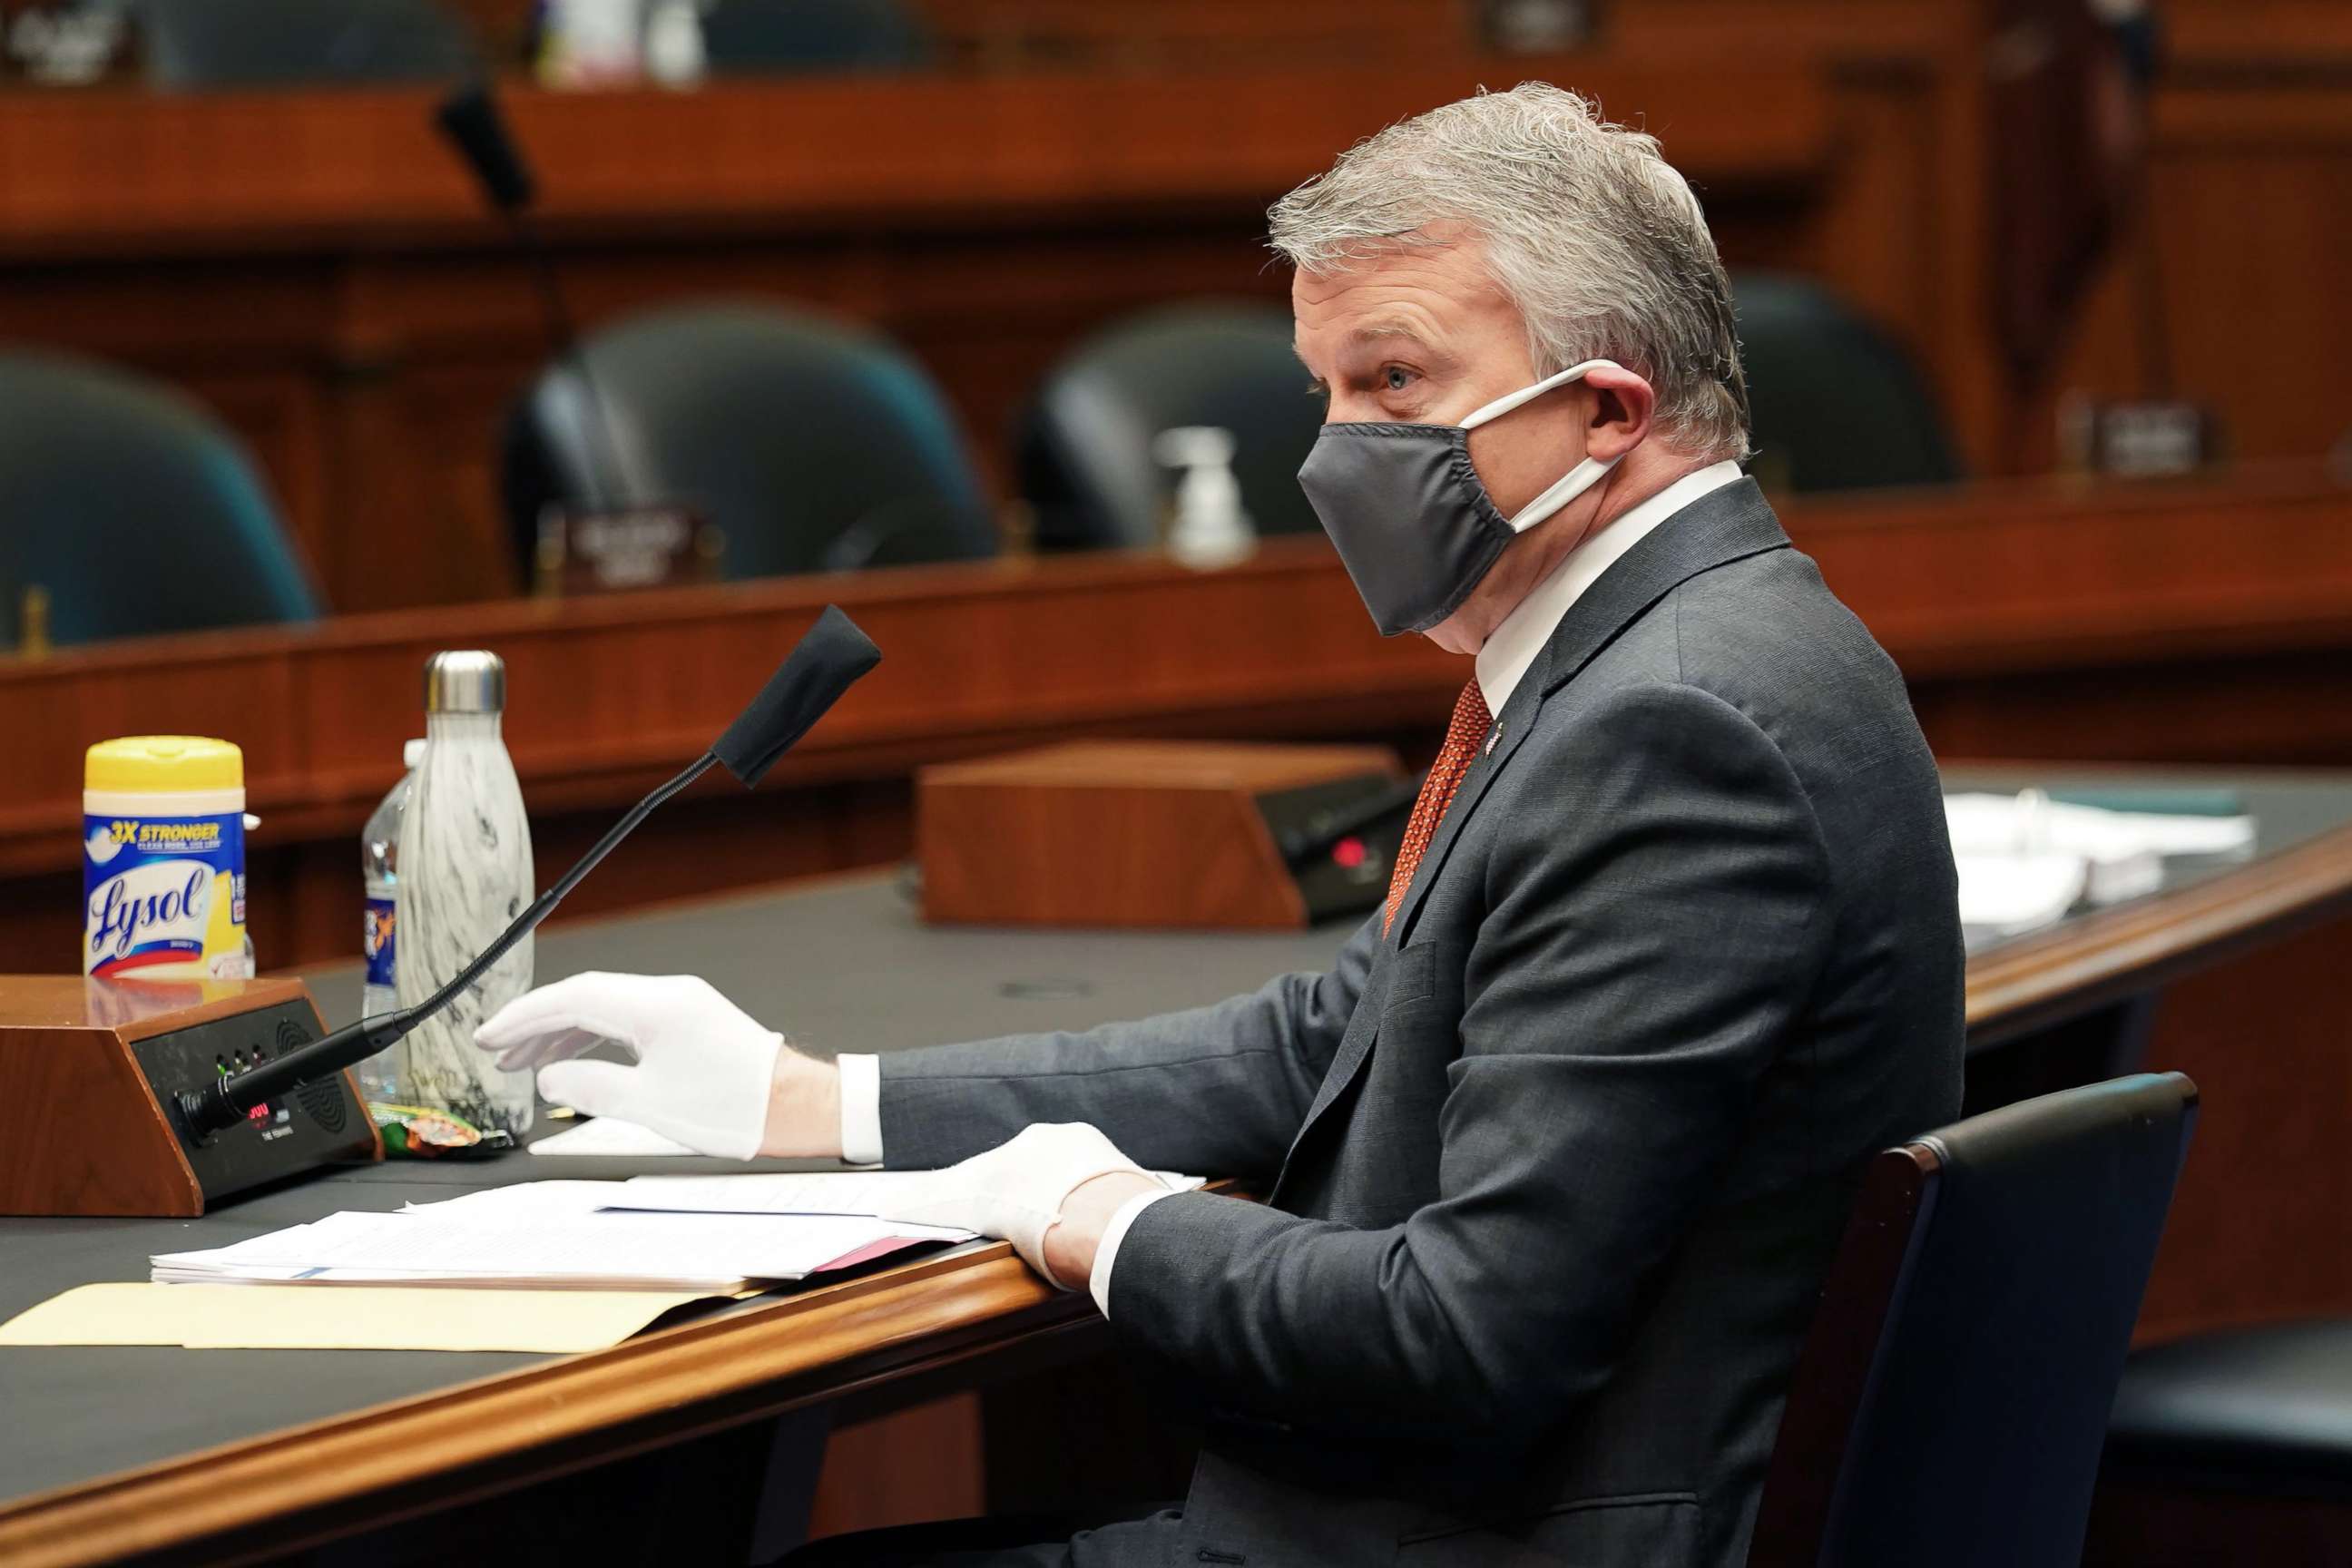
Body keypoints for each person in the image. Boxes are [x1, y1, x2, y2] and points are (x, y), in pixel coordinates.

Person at [476, 83, 1964, 1568]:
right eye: (1324, 389)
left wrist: (1099, 1219)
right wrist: (809, 1100)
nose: (1334, 453)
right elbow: (1349, 1035)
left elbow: (1459, 1336)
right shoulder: (1697, 641)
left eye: (1394, 381)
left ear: (1606, 410)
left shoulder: (1674, 723)